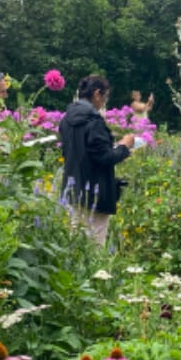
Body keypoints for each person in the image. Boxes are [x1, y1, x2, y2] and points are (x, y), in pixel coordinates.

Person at [58, 75, 136, 245]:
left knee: (76, 242)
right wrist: (125, 146)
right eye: (105, 97)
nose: (104, 102)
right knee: (94, 247)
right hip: (95, 194)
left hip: (73, 191)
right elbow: (105, 157)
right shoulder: (93, 121)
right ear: (97, 93)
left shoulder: (66, 120)